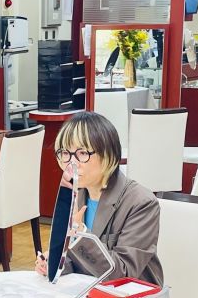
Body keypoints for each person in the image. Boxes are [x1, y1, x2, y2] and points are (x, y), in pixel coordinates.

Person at [35, 111, 163, 285]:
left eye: (82, 153)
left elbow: (122, 274)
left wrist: (80, 234)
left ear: (107, 155)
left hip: (131, 297)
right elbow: (80, 260)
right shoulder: (76, 193)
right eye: (65, 152)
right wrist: (55, 263)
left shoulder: (141, 202)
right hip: (87, 291)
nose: (72, 163)